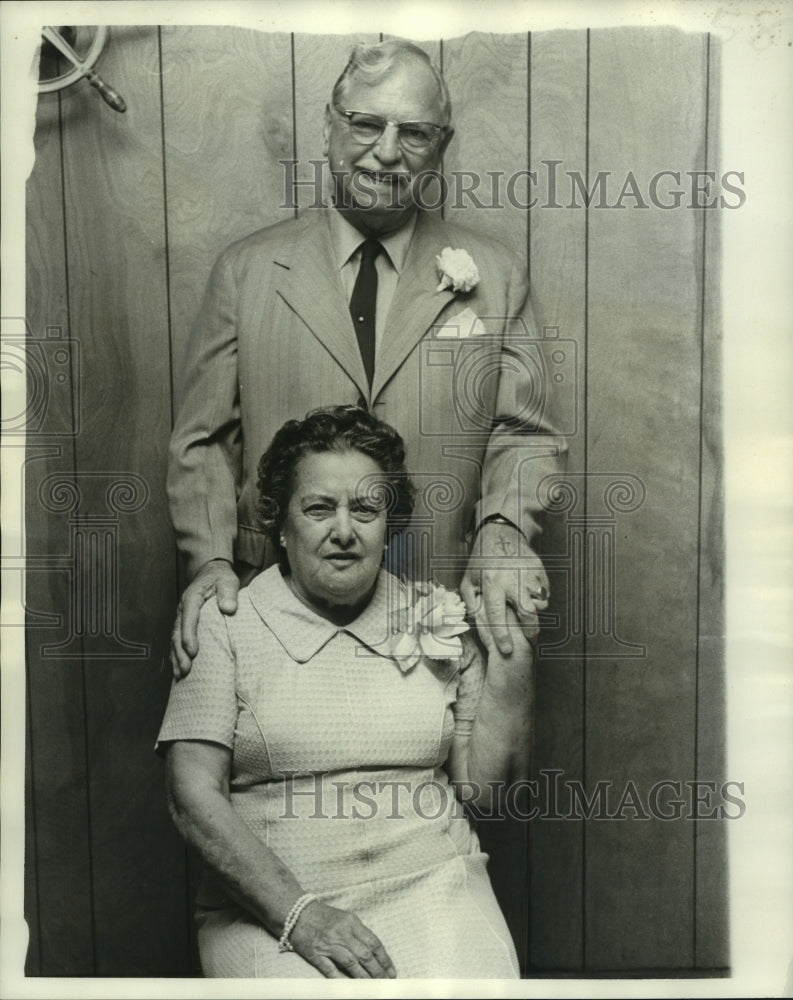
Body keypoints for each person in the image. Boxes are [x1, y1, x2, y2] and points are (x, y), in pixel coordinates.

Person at [168, 38, 566, 677]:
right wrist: (213, 559)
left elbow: (527, 434)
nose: (386, 151)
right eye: (365, 124)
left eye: (414, 132)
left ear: (442, 145)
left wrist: (505, 526)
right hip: (272, 608)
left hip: (440, 613)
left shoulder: (498, 274)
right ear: (330, 127)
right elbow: (203, 441)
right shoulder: (245, 273)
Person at [157, 406, 532, 979]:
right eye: (318, 508)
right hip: (272, 910)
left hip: (436, 887)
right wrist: (300, 916)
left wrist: (512, 657)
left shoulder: (437, 618)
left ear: (389, 523)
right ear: (280, 526)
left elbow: (487, 795)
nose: (343, 530)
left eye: (365, 509)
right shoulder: (223, 621)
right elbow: (192, 798)